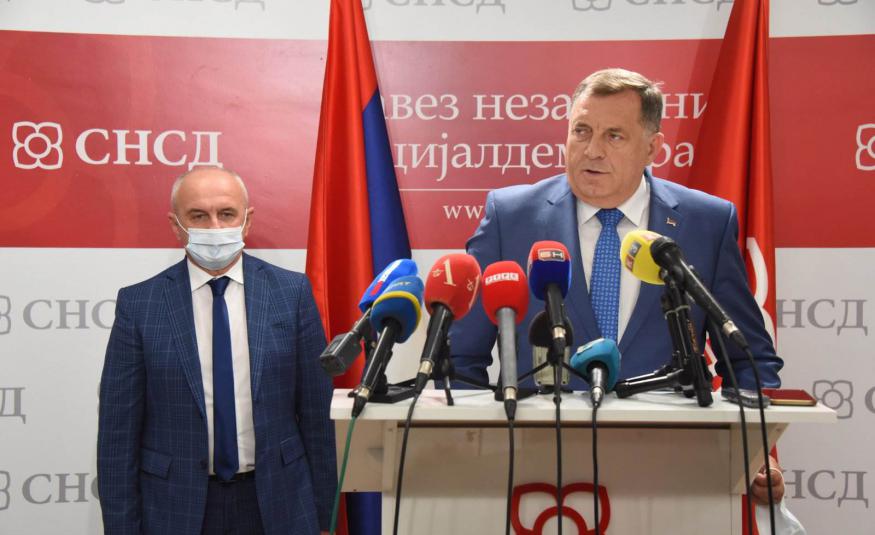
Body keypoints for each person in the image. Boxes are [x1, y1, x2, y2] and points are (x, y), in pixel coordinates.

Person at [448, 68, 784, 505]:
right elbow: (460, 360)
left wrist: (756, 452)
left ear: (652, 148)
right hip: (532, 476)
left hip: (673, 476)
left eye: (614, 136)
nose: (592, 150)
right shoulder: (511, 217)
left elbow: (748, 360)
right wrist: (472, 453)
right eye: (581, 131)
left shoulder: (706, 223)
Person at [97, 166, 336, 535]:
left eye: (226, 214)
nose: (214, 227)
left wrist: (324, 517)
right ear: (176, 225)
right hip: (175, 507)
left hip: (279, 502)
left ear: (247, 220)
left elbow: (318, 415)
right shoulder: (139, 305)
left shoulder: (291, 294)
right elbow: (118, 435)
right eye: (198, 216)